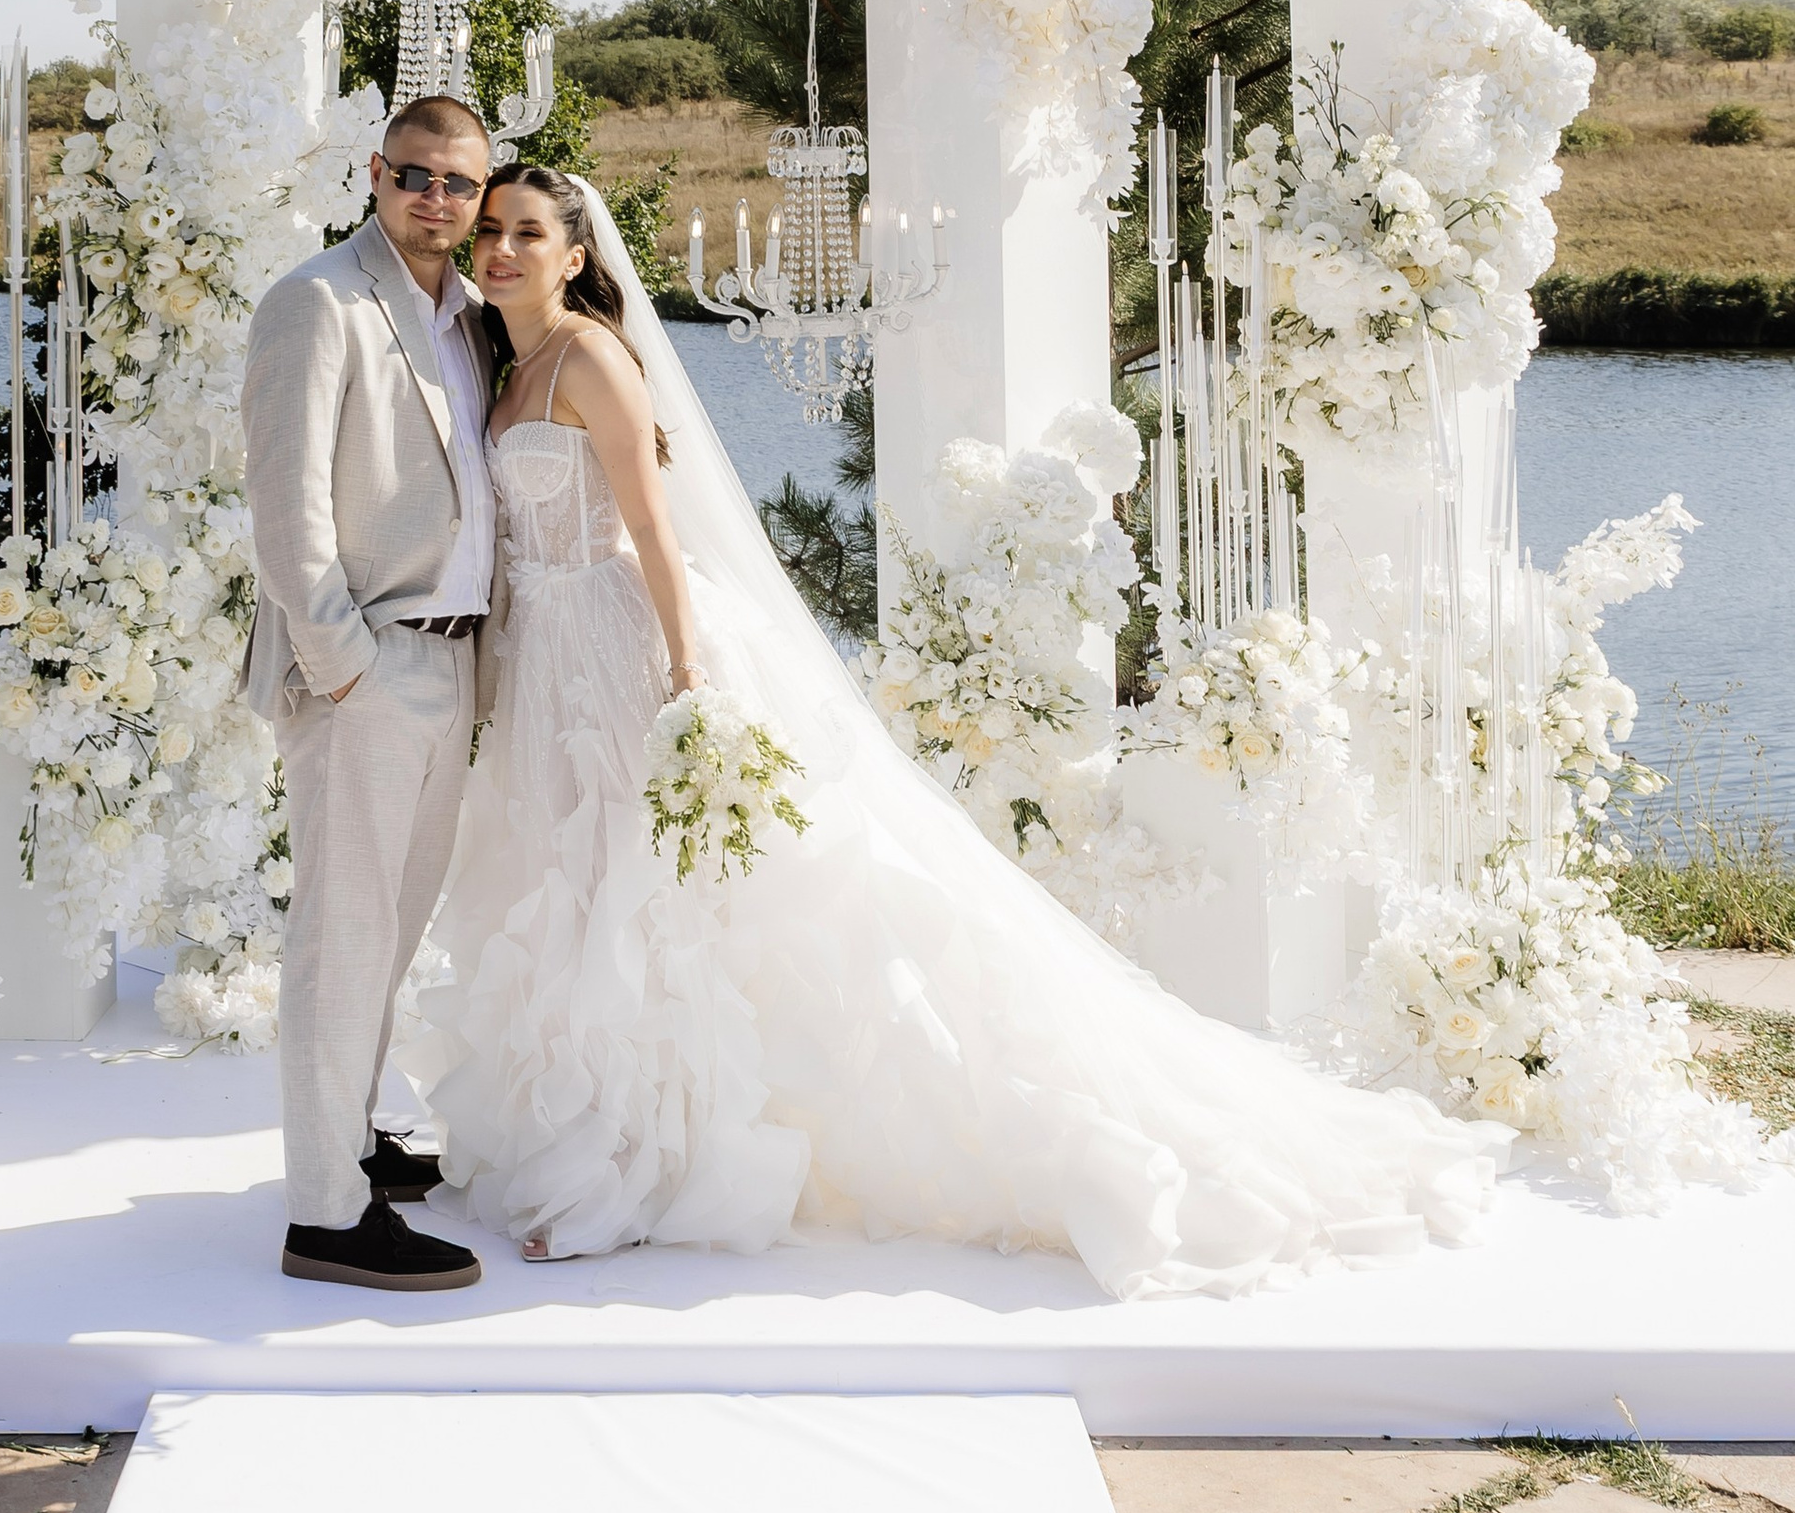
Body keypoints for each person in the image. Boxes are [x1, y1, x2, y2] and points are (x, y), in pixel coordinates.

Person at [403, 162, 1504, 1294]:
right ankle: (577, 1130)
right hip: (541, 663)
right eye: (490, 231)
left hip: (613, 648)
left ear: (576, 257)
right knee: (569, 883)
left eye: (526, 234)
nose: (499, 250)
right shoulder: (505, 360)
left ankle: (635, 1164)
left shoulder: (589, 360)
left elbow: (653, 526)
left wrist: (684, 671)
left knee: (638, 895)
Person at [240, 94, 501, 1293]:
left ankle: (346, 1136)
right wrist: (345, 667)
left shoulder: (468, 318)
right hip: (368, 665)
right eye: (414, 177)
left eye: (457, 182)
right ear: (374, 175)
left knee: (389, 931)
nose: (435, 200)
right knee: (340, 939)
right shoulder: (318, 301)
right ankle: (324, 1214)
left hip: (449, 660)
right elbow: (287, 515)